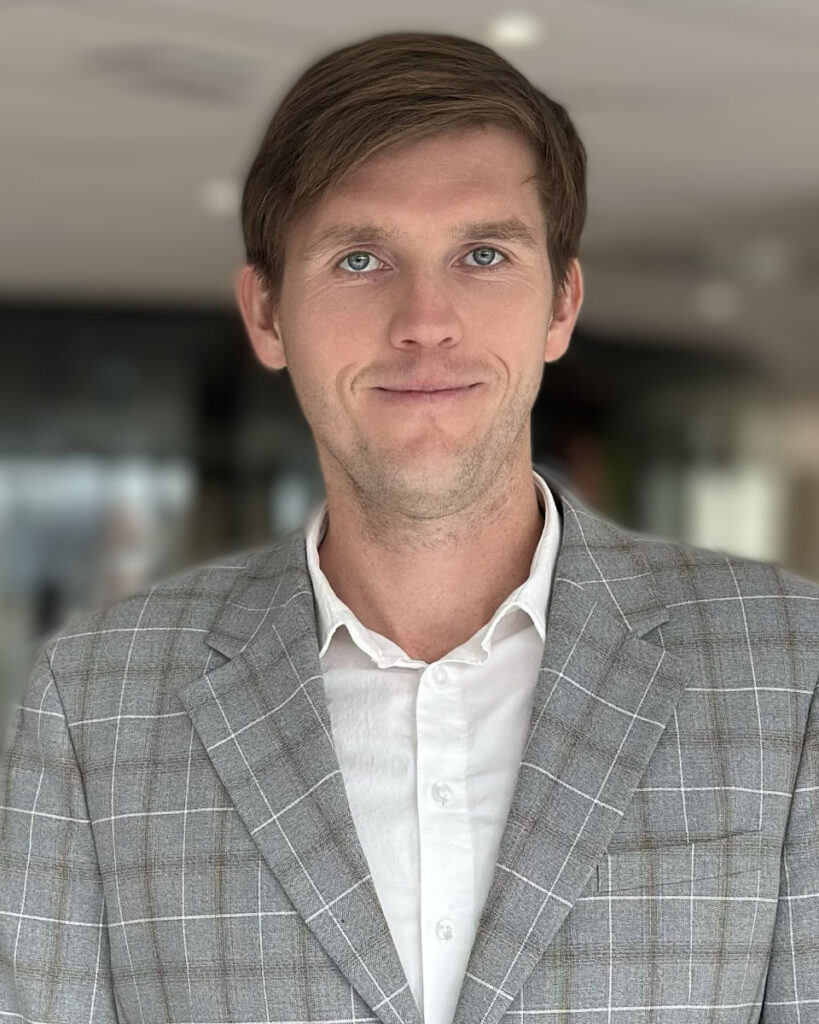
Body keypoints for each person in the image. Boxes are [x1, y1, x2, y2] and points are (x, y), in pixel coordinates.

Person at [1, 30, 817, 1024]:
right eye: (359, 258)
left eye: (482, 254)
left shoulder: (790, 670)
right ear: (266, 314)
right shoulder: (97, 703)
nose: (425, 320)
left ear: (560, 304)